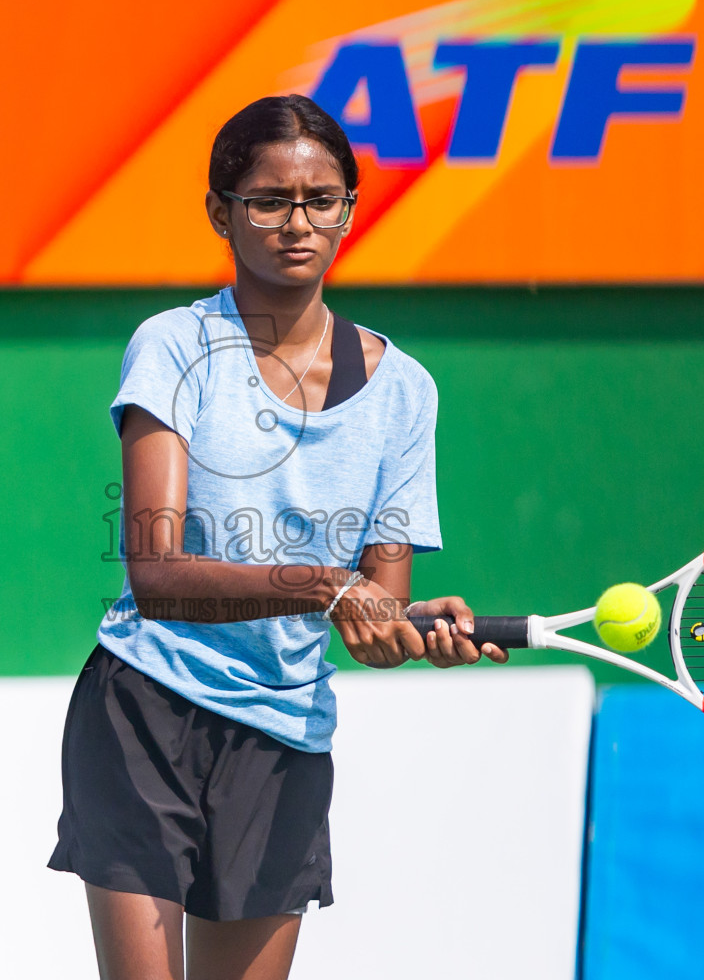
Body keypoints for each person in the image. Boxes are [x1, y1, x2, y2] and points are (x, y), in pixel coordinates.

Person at [48, 94, 508, 980]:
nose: (298, 223)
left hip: (285, 734)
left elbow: (375, 613)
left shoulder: (408, 391)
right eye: (268, 200)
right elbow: (157, 573)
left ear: (349, 209)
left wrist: (414, 633)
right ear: (222, 213)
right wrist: (322, 586)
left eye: (321, 199)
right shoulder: (173, 346)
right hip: (144, 709)